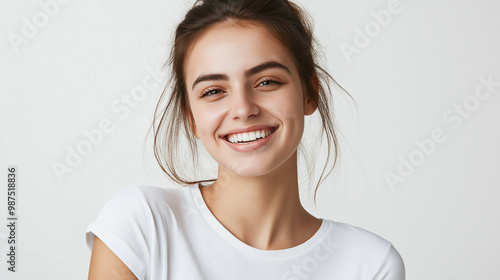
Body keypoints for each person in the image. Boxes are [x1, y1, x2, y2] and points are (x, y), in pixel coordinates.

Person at [86, 0, 406, 279]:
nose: (243, 108)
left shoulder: (371, 264)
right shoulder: (141, 225)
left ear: (310, 93)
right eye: (213, 91)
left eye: (267, 81)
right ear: (191, 116)